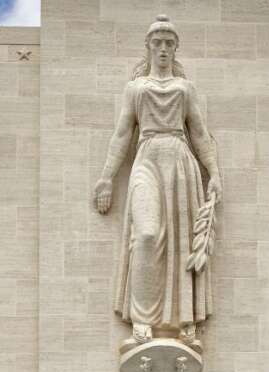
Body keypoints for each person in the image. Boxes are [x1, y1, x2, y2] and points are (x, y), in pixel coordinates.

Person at [93, 15, 221, 349]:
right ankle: (142, 318)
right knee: (147, 235)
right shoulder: (135, 89)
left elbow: (200, 133)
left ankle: (184, 321)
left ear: (175, 48)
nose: (163, 48)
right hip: (146, 158)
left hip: (180, 161)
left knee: (181, 244)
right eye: (157, 42)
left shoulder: (185, 89)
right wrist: (107, 178)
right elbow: (122, 134)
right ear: (148, 47)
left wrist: (215, 173)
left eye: (169, 43)